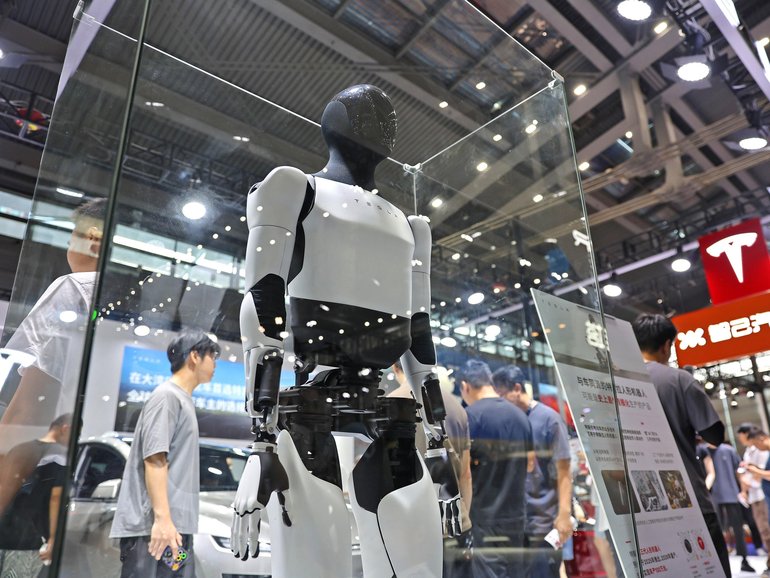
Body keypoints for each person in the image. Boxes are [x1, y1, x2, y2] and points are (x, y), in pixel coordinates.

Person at [110, 330, 219, 578]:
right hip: (154, 532)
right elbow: (154, 459)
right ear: (195, 356)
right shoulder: (166, 397)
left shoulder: (182, 399)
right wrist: (162, 520)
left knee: (180, 572)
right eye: (212, 356)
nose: (215, 363)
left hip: (175, 533)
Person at [632, 313, 731, 577]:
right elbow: (715, 435)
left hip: (642, 504)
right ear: (666, 345)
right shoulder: (678, 379)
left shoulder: (618, 381)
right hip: (688, 497)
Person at [1, 198, 106, 441]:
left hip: (39, 450)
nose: (69, 249)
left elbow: (28, 406)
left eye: (71, 241)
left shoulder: (74, 287)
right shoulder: (119, 299)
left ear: (92, 238)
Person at [492, 364, 572, 578]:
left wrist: (564, 515)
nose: (500, 402)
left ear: (517, 389)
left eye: (502, 396)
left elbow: (564, 472)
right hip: (515, 523)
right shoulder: (508, 421)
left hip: (542, 522)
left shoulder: (549, 420)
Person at [458, 359, 534, 578]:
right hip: (516, 514)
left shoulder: (470, 417)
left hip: (485, 515)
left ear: (465, 386)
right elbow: (530, 464)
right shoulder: (521, 416)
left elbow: (465, 472)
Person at [0, 414, 71, 578]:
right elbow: (56, 497)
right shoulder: (60, 455)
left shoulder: (19, 449)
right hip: (27, 537)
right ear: (65, 429)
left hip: (5, 528)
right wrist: (54, 538)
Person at [707, 441, 754, 573]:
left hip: (731, 495)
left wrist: (743, 491)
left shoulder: (728, 450)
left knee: (738, 529)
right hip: (712, 497)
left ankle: (744, 560)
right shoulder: (703, 451)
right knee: (716, 530)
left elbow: (739, 472)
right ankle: (718, 564)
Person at [737, 423, 770, 576]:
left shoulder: (762, 451)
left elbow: (763, 473)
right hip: (757, 494)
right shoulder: (749, 452)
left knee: (766, 530)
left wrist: (754, 471)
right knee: (764, 531)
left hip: (763, 495)